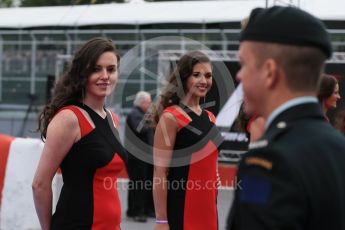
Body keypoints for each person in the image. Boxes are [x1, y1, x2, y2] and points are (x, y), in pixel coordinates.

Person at [227, 6, 345, 230]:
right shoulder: (339, 146)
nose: (238, 75)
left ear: (270, 72)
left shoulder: (266, 163)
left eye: (243, 64)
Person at [32, 37, 127, 230]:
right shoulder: (69, 118)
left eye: (111, 69)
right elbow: (40, 184)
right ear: (82, 73)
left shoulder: (112, 118)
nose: (105, 76)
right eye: (96, 69)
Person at [151, 50, 222, 230]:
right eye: (196, 75)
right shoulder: (171, 117)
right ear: (184, 78)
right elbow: (160, 174)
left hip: (209, 209)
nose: (203, 81)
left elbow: (209, 160)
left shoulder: (211, 117)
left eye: (208, 75)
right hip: (182, 209)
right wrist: (161, 220)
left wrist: (215, 176)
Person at [125, 91, 154, 222]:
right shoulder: (134, 114)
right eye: (148, 102)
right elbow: (140, 129)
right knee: (139, 184)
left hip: (146, 156)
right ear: (142, 102)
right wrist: (148, 117)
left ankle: (144, 209)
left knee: (146, 183)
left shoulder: (141, 115)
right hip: (137, 157)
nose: (150, 104)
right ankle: (137, 211)